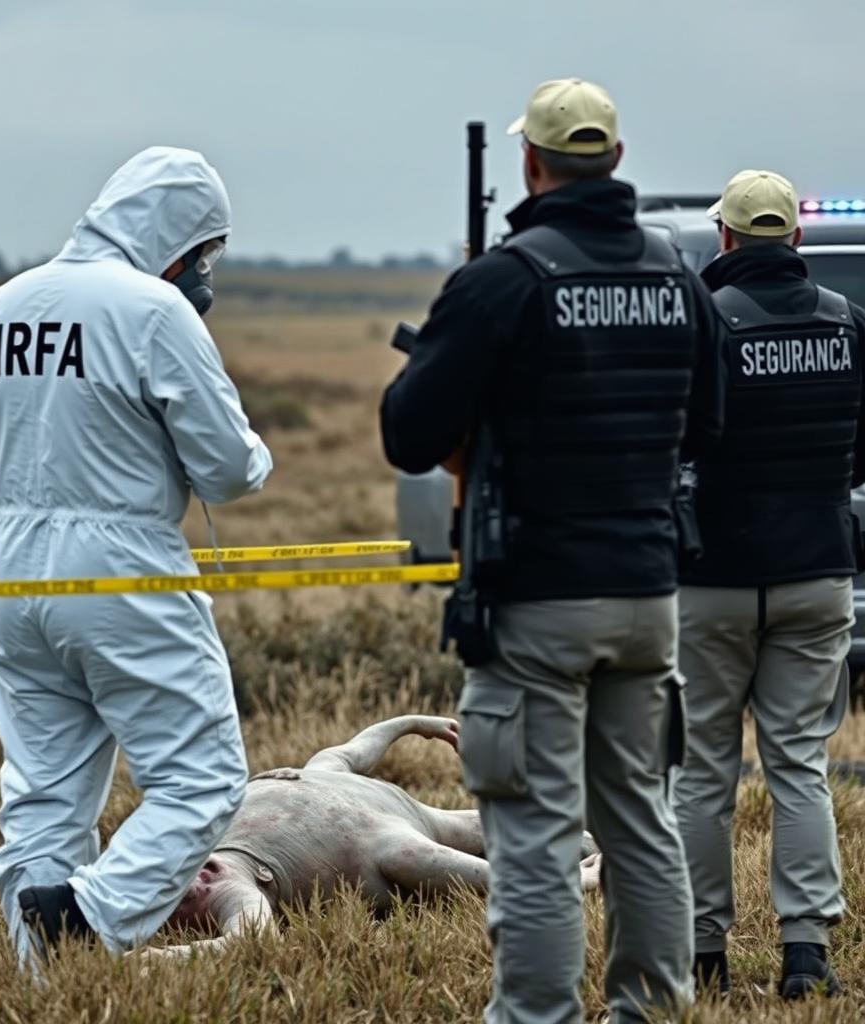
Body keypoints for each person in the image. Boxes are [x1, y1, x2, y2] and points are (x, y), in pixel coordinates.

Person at [381, 78, 725, 1023]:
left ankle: (537, 1016)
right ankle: (651, 1011)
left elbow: (409, 435)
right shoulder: (675, 277)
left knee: (533, 835)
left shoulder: (502, 282)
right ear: (614, 161)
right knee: (641, 823)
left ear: (530, 166)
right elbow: (708, 430)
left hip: (535, 599)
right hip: (649, 596)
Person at [0, 147, 273, 965]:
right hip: (126, 569)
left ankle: (44, 983)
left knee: (45, 796)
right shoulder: (155, 312)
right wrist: (255, 455)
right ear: (178, 239)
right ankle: (90, 913)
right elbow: (227, 468)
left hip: (11, 578)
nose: (205, 274)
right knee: (201, 778)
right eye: (206, 254)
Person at [672, 170, 865, 999]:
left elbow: (675, 442)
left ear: (724, 239)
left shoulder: (704, 324)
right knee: (799, 764)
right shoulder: (850, 324)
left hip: (712, 576)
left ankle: (704, 951)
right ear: (794, 240)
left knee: (703, 773)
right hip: (818, 574)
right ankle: (805, 951)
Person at [140, 714, 602, 963]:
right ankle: (577, 876)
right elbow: (250, 943)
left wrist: (413, 724)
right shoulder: (231, 888)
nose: (191, 880)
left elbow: (350, 751)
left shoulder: (194, 844)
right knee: (422, 855)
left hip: (331, 787)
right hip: (379, 836)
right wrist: (155, 960)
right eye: (182, 894)